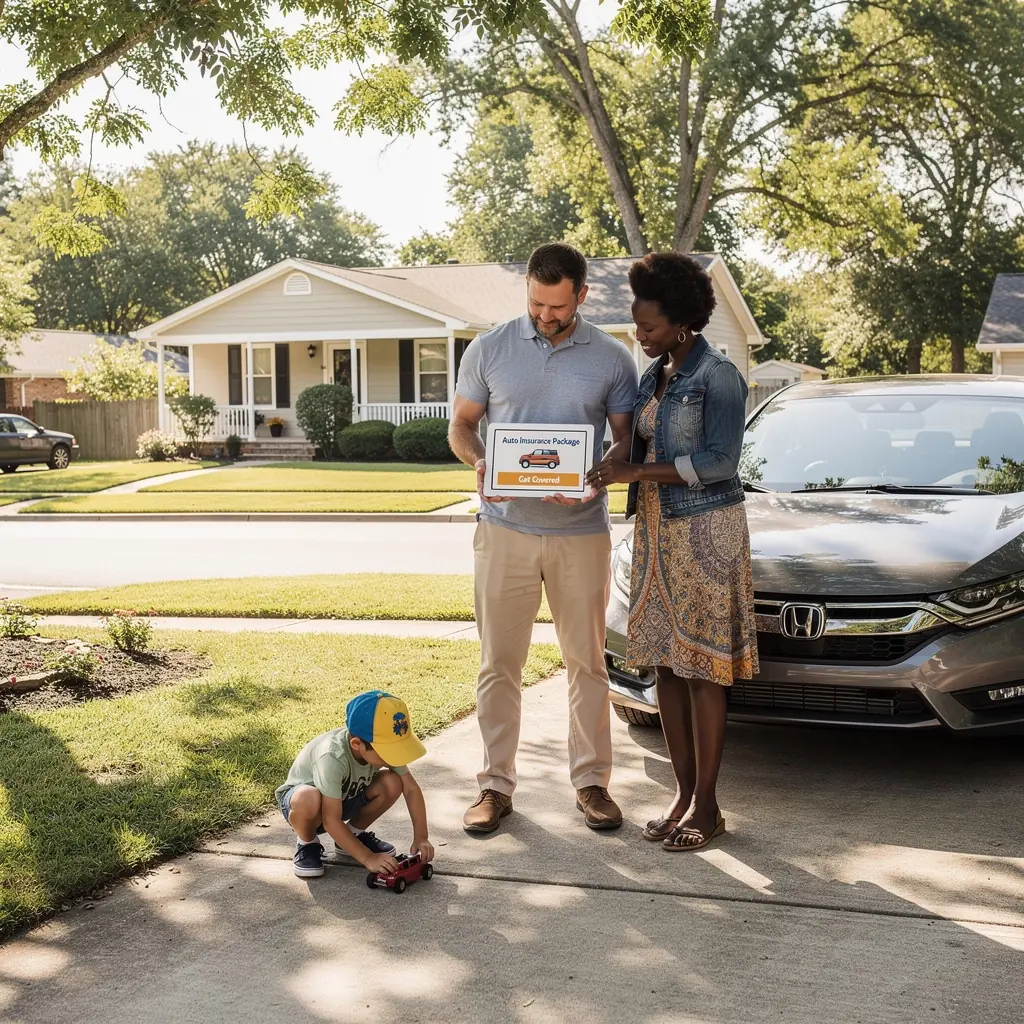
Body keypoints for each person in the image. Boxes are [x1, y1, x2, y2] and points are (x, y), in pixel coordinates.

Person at [449, 242, 639, 833]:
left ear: (581, 295)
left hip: (581, 533)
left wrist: (597, 477)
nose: (545, 315)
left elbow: (624, 443)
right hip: (504, 529)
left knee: (587, 664)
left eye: (557, 306)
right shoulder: (490, 347)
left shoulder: (612, 358)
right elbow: (462, 424)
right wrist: (479, 463)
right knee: (498, 664)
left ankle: (591, 784)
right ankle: (494, 787)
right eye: (536, 302)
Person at [585, 252, 758, 852]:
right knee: (663, 665)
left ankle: (708, 808)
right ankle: (683, 795)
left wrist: (639, 468)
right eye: (637, 324)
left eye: (648, 327)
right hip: (657, 532)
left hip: (707, 534)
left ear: (682, 324)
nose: (640, 335)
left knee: (703, 670)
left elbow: (719, 462)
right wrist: (609, 464)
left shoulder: (718, 376)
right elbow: (633, 441)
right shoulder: (654, 375)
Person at [275, 690, 434, 878]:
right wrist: (368, 858)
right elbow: (330, 820)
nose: (393, 757)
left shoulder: (379, 747)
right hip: (306, 807)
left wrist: (422, 836)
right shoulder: (332, 757)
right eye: (388, 751)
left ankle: (351, 837)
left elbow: (411, 788)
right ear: (356, 744)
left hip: (342, 800)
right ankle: (307, 843)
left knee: (393, 782)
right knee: (308, 798)